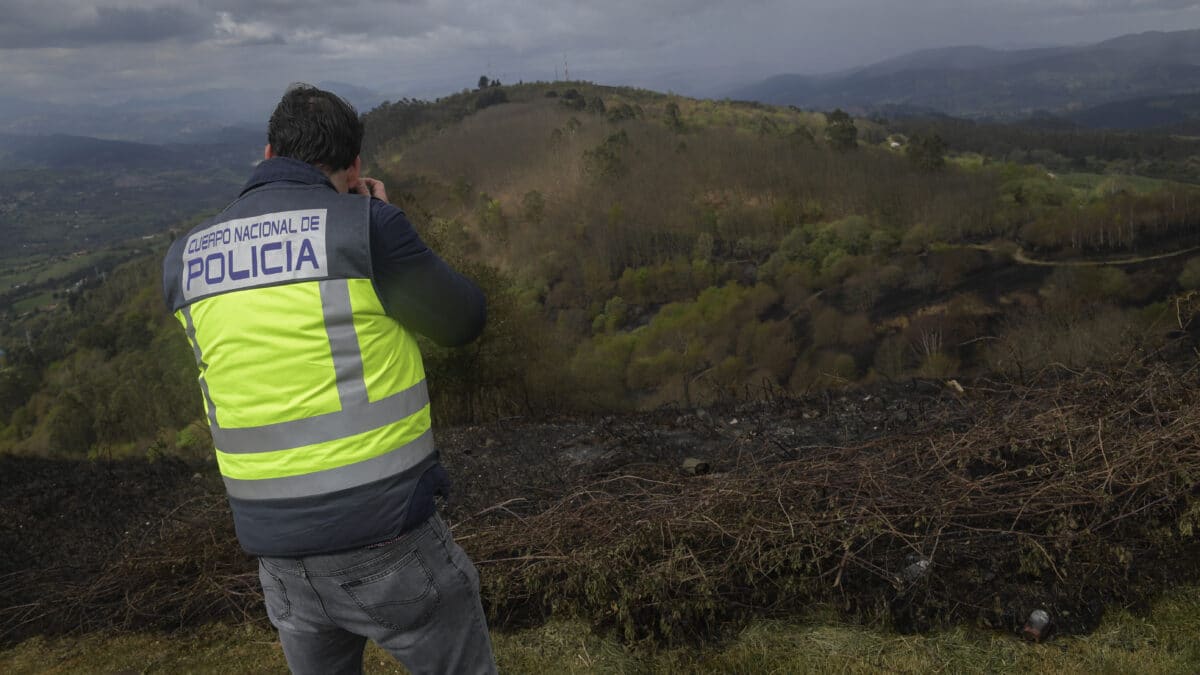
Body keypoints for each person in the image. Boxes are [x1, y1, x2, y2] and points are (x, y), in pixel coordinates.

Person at [161, 83, 496, 674]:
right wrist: (384, 217)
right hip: (386, 537)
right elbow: (463, 320)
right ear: (354, 169)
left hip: (277, 555)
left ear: (267, 155)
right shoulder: (366, 229)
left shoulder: (184, 259)